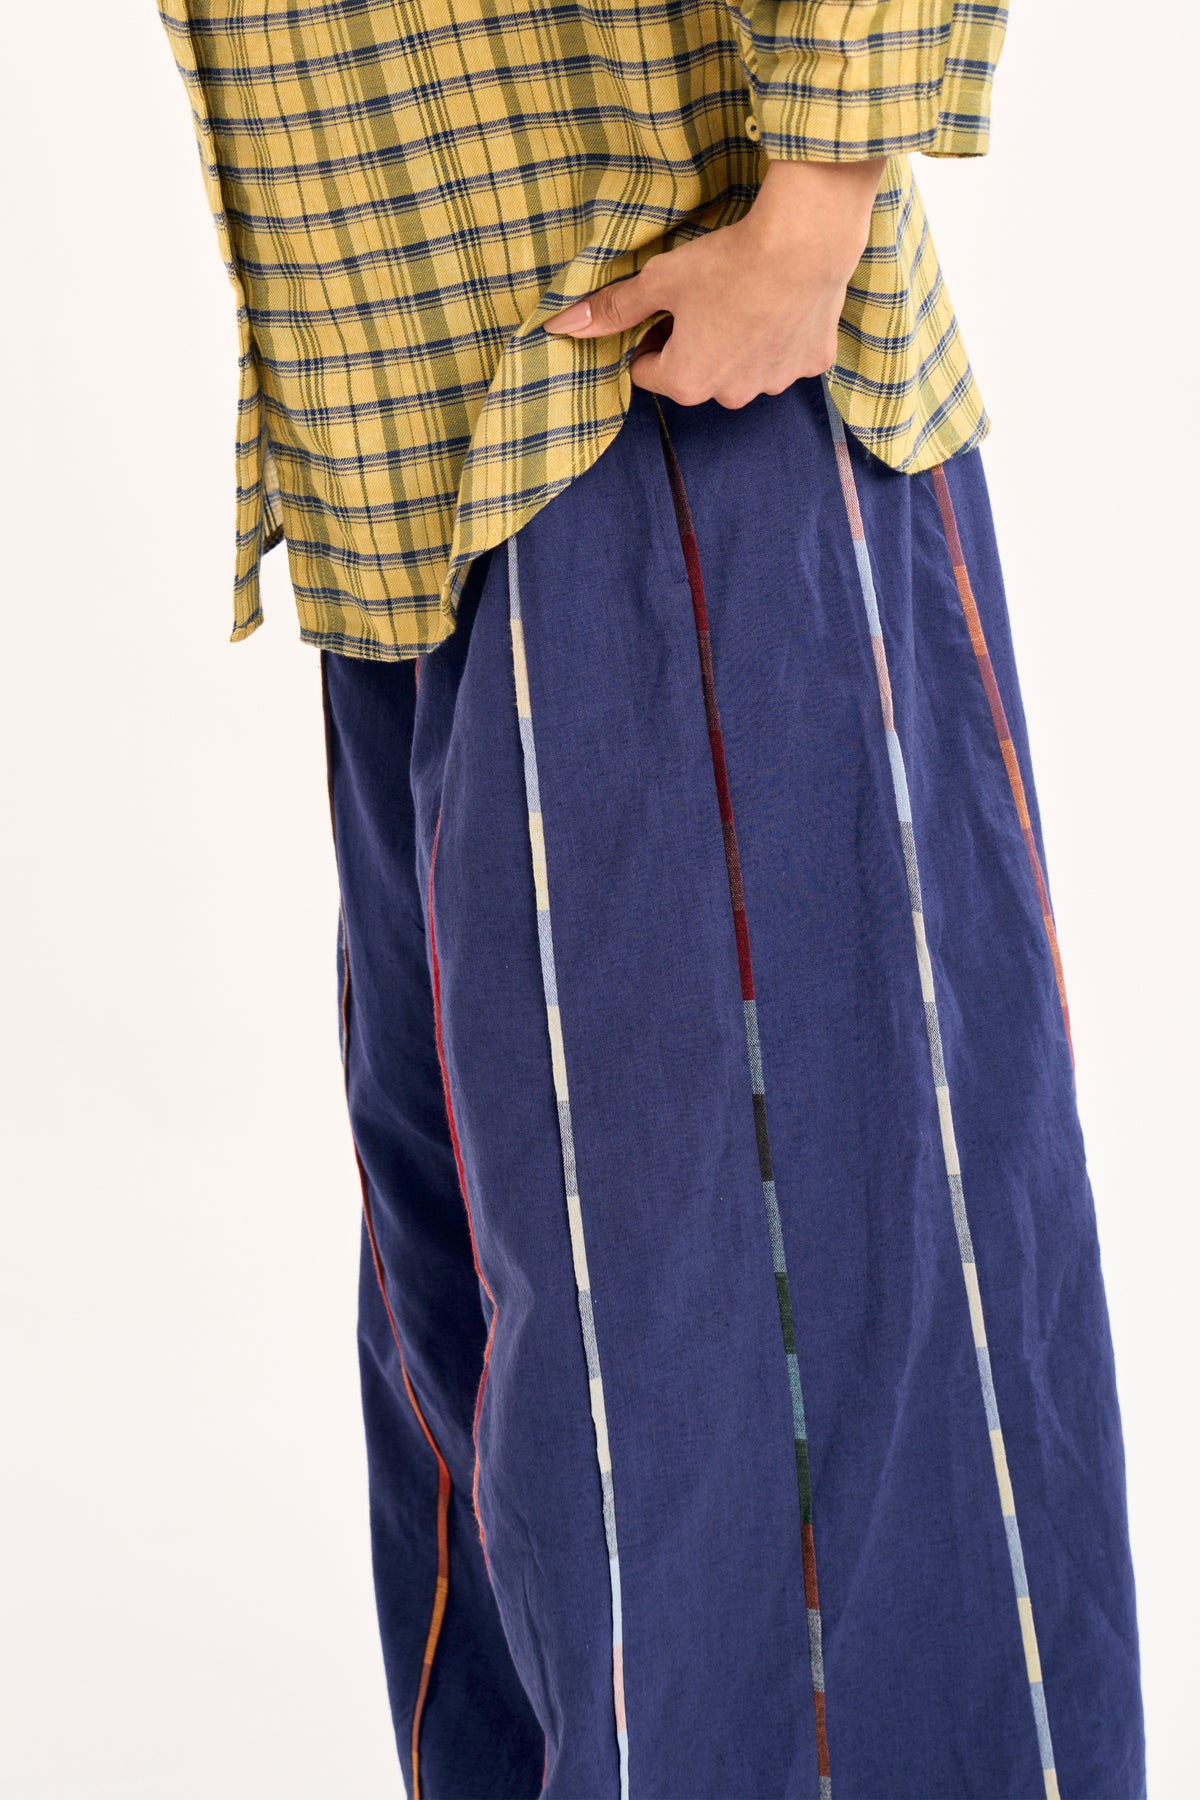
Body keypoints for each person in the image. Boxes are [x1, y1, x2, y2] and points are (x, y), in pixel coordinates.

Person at [157, 5, 1146, 1796]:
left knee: (747, 1411)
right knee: (508, 1401)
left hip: (659, 399)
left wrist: (820, 201)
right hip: (406, 475)